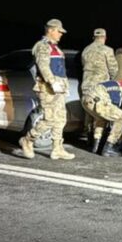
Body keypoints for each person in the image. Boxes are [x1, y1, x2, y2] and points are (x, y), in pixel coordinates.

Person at [18, 19, 76, 160]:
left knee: (61, 119)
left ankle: (57, 148)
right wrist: (52, 82)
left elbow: (60, 70)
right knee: (49, 119)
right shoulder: (42, 46)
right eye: (59, 31)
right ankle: (28, 140)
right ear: (50, 30)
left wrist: (64, 87)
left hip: (59, 88)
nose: (61, 34)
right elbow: (43, 66)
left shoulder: (55, 48)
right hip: (47, 88)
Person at [81, 81, 122, 156]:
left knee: (102, 118)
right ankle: (109, 147)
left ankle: (96, 146)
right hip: (98, 101)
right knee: (121, 116)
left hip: (86, 99)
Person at [80, 28, 118, 151]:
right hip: (100, 87)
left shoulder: (85, 50)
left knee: (89, 111)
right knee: (100, 113)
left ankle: (89, 139)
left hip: (86, 85)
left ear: (93, 37)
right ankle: (97, 143)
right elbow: (113, 69)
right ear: (105, 38)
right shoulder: (108, 50)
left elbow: (83, 66)